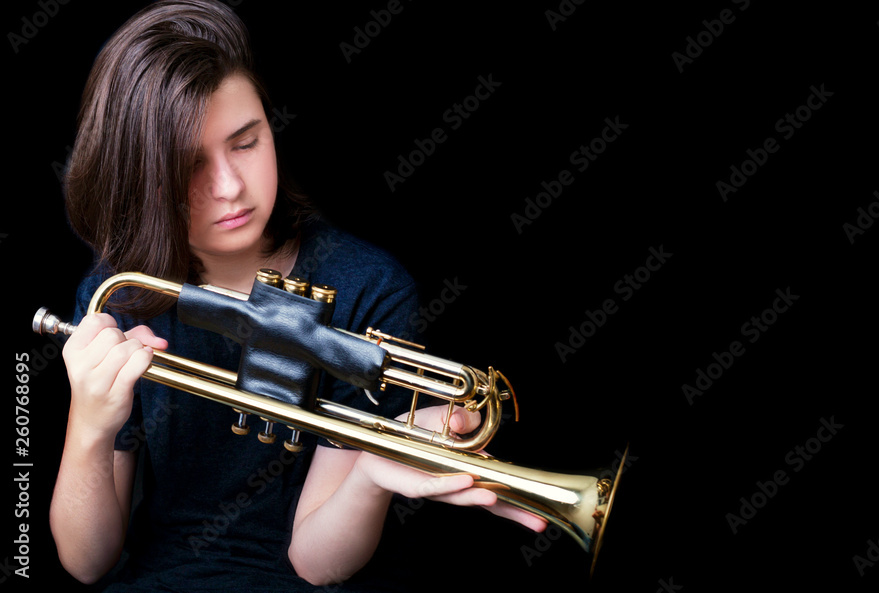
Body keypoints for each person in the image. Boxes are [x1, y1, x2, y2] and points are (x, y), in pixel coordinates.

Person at [50, 1, 545, 590]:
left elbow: (315, 563)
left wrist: (372, 470)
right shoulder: (118, 297)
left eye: (245, 142)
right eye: (188, 167)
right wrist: (89, 426)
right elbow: (86, 563)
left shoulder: (369, 286)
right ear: (139, 176)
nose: (231, 187)